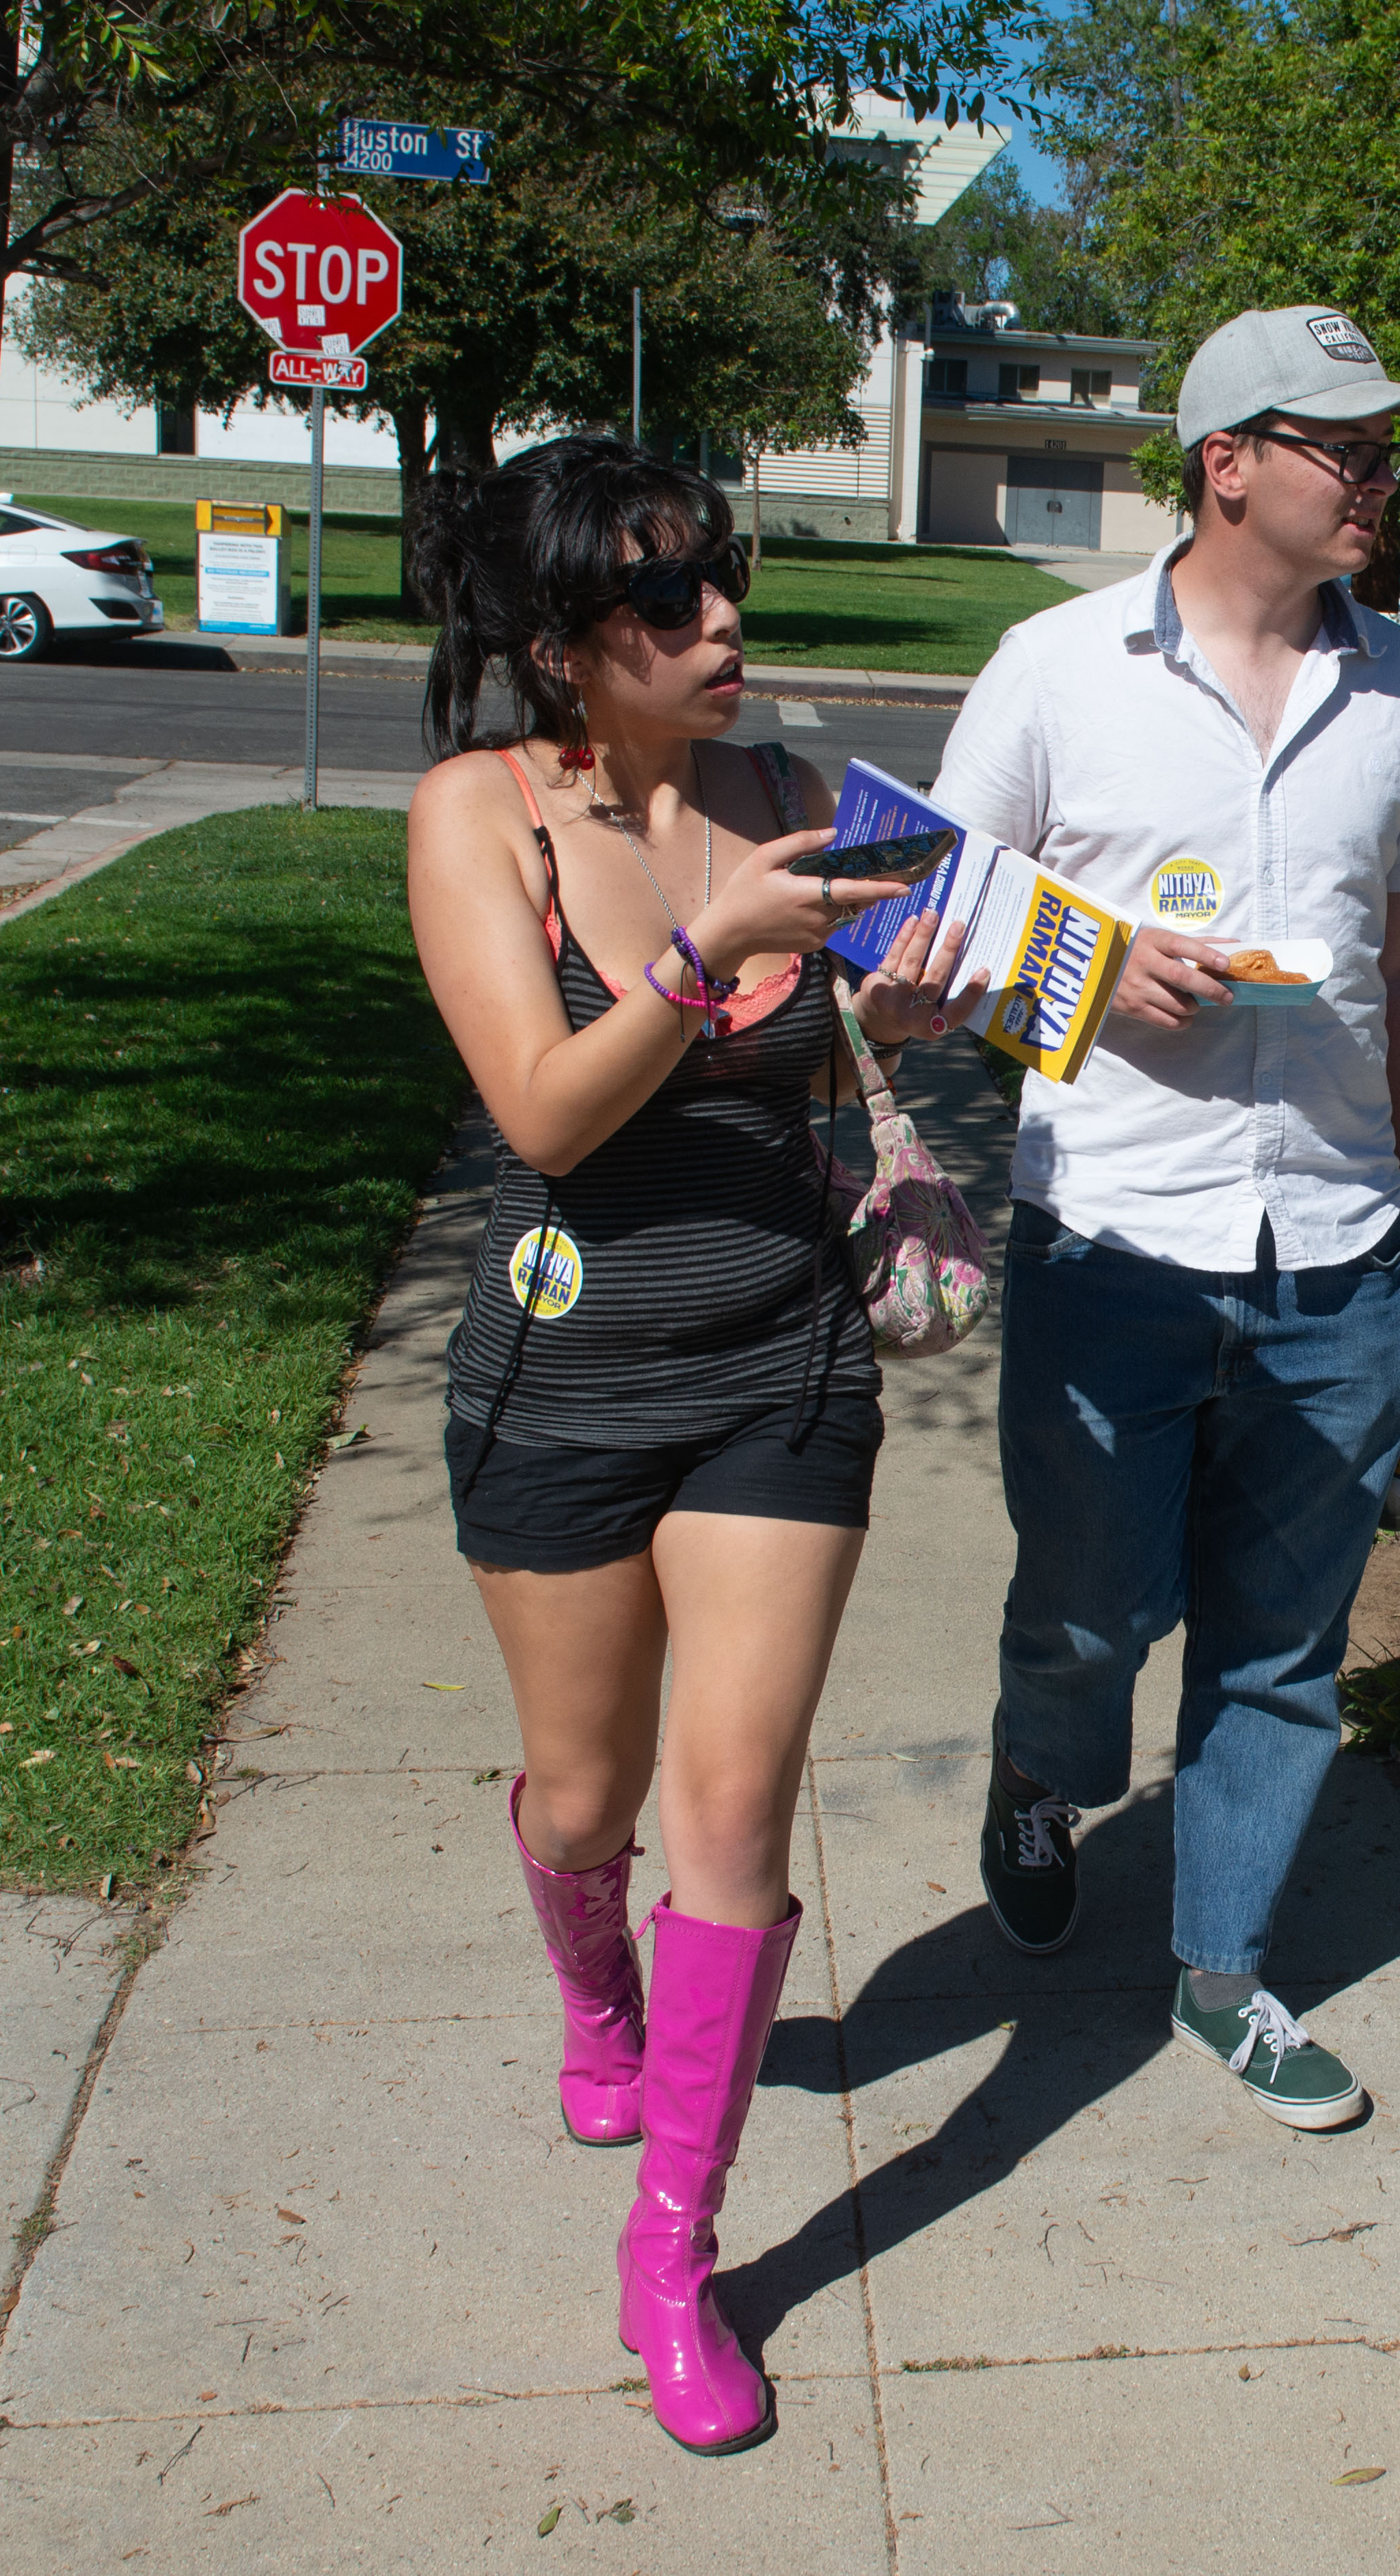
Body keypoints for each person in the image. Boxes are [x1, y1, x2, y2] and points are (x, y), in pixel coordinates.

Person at [405, 435, 984, 2456]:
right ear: (570, 646)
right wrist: (711, 939)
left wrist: (898, 1007)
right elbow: (549, 1113)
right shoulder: (477, 817)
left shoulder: (794, 795)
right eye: (671, 601)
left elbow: (824, 1040)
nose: (723, 621)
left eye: (722, 580)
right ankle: (591, 1991)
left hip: (782, 1361)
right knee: (589, 1796)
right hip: (562, 1379)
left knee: (730, 1816)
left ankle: (677, 2248)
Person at [934, 306, 1400, 2130]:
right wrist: (1085, 984)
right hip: (1113, 1246)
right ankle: (1039, 1774)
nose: (1383, 481)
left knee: (1284, 1648)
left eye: (1389, 449)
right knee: (1091, 1615)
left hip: (1329, 1255)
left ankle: (1226, 1972)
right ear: (1225, 461)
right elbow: (907, 938)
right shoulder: (1056, 667)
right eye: (1353, 450)